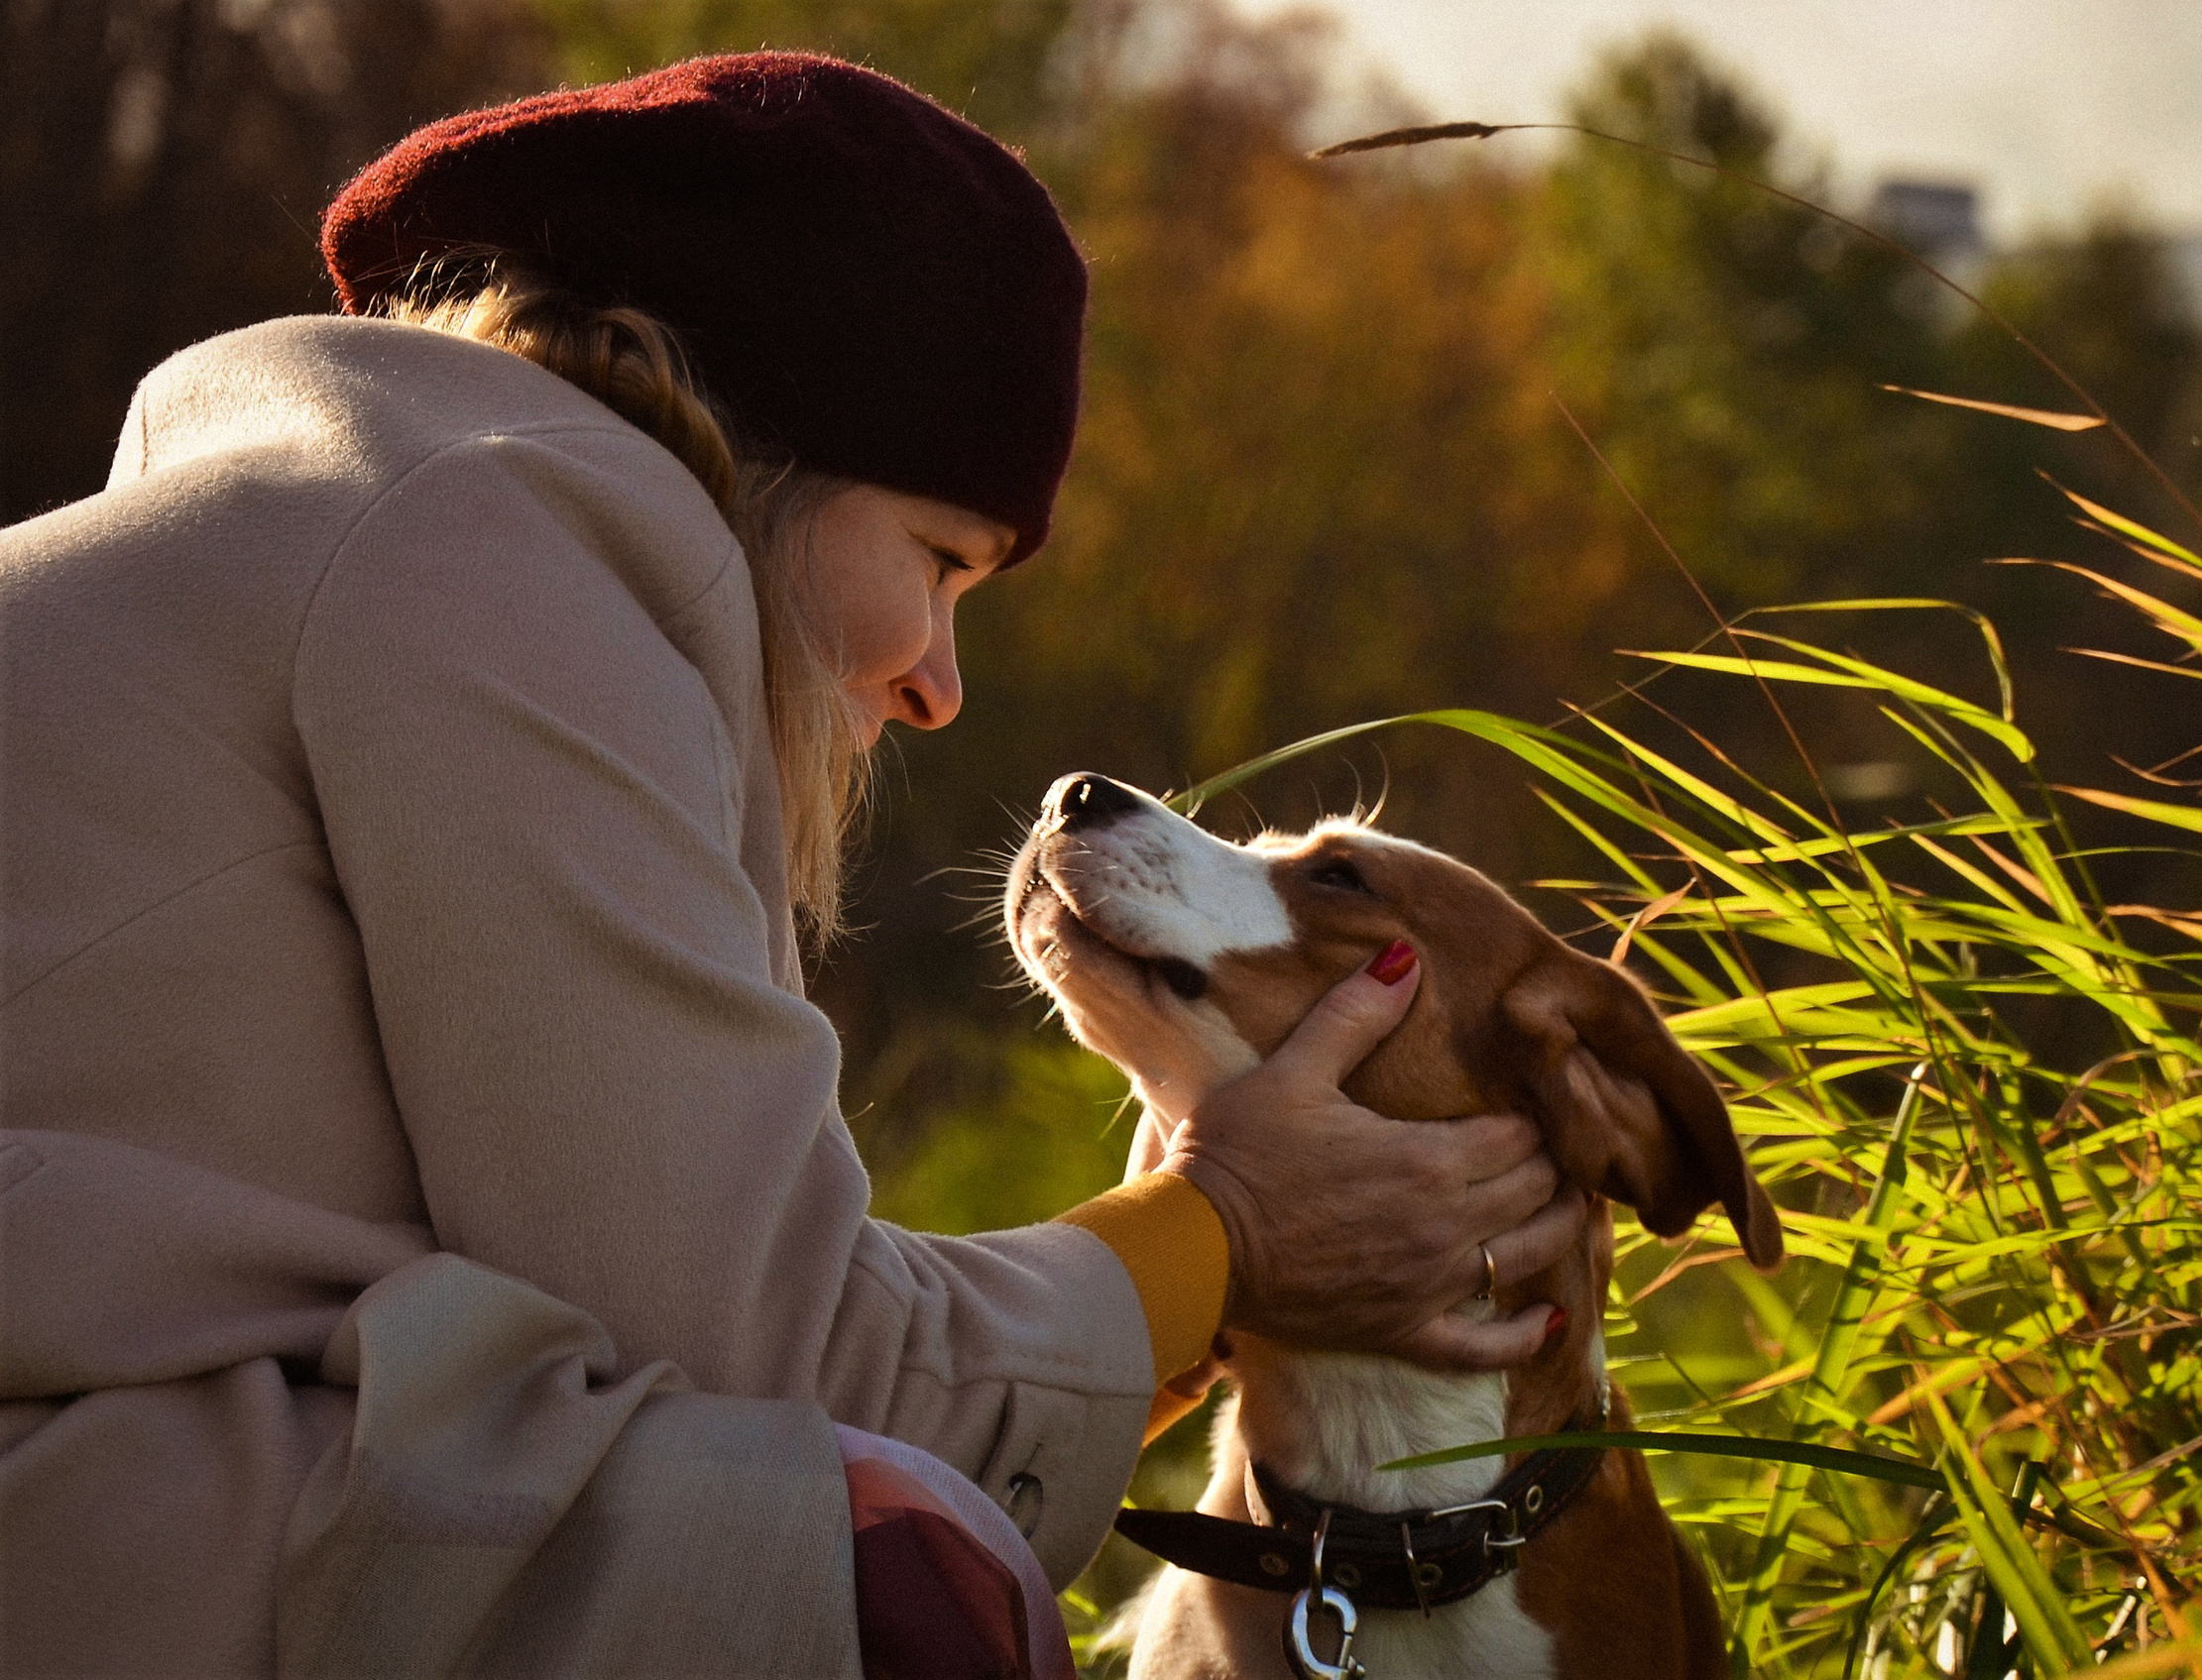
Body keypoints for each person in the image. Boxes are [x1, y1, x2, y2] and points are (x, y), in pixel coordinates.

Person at [0, 53, 1587, 1678]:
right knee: (872, 1568)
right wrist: (1234, 1232)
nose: (937, 683)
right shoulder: (500, 559)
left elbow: (605, 1307)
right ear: (772, 450)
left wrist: (1200, 1271)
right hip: (63, 1505)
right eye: (942, 561)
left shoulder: (356, 524)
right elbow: (769, 1362)